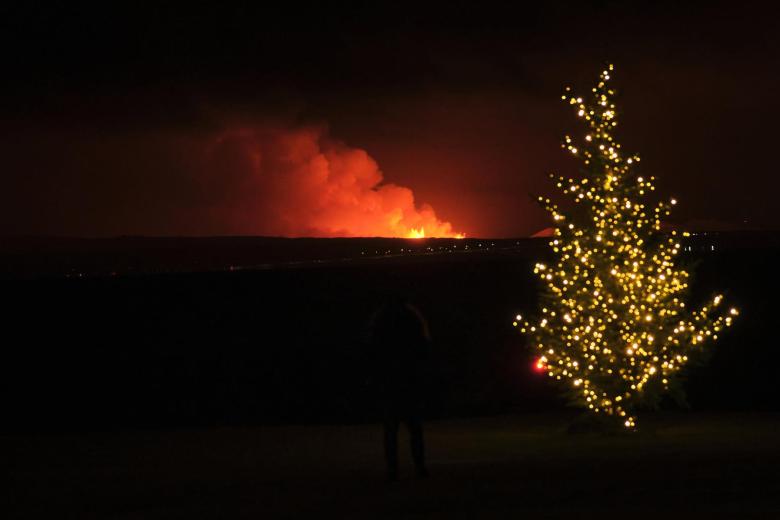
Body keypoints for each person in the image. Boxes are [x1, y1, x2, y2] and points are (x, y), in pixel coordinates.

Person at [367, 296, 432, 482]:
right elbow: (425, 344)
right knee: (413, 429)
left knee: (391, 430)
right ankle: (418, 467)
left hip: (392, 382)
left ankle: (393, 470)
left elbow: (370, 345)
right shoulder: (412, 316)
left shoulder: (381, 318)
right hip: (407, 381)